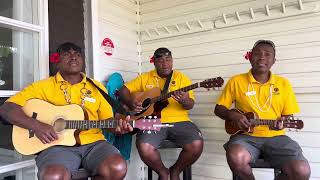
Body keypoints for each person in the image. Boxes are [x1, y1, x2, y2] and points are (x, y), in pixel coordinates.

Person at [0, 42, 133, 180]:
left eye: (77, 54)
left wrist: (118, 126)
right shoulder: (43, 86)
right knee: (53, 176)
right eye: (66, 54)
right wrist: (37, 126)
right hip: (56, 145)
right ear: (57, 61)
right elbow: (7, 109)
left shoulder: (97, 87)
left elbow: (108, 121)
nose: (73, 57)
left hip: (94, 143)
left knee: (117, 167)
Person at [214, 40, 310, 180]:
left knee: (302, 170)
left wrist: (284, 122)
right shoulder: (236, 81)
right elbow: (219, 109)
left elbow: (288, 115)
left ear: (273, 60)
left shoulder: (283, 84)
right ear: (250, 57)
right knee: (236, 156)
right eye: (257, 53)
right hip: (245, 137)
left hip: (277, 138)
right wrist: (232, 115)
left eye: (267, 54)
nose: (262, 57)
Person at [119, 47, 203, 180]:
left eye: (168, 60)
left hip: (180, 120)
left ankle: (175, 171)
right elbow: (123, 90)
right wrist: (130, 102)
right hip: (151, 120)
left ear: (172, 61)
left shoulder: (181, 78)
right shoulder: (145, 77)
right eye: (161, 60)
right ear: (154, 62)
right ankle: (163, 173)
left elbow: (190, 105)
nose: (165, 63)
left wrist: (185, 100)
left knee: (196, 144)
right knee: (144, 146)